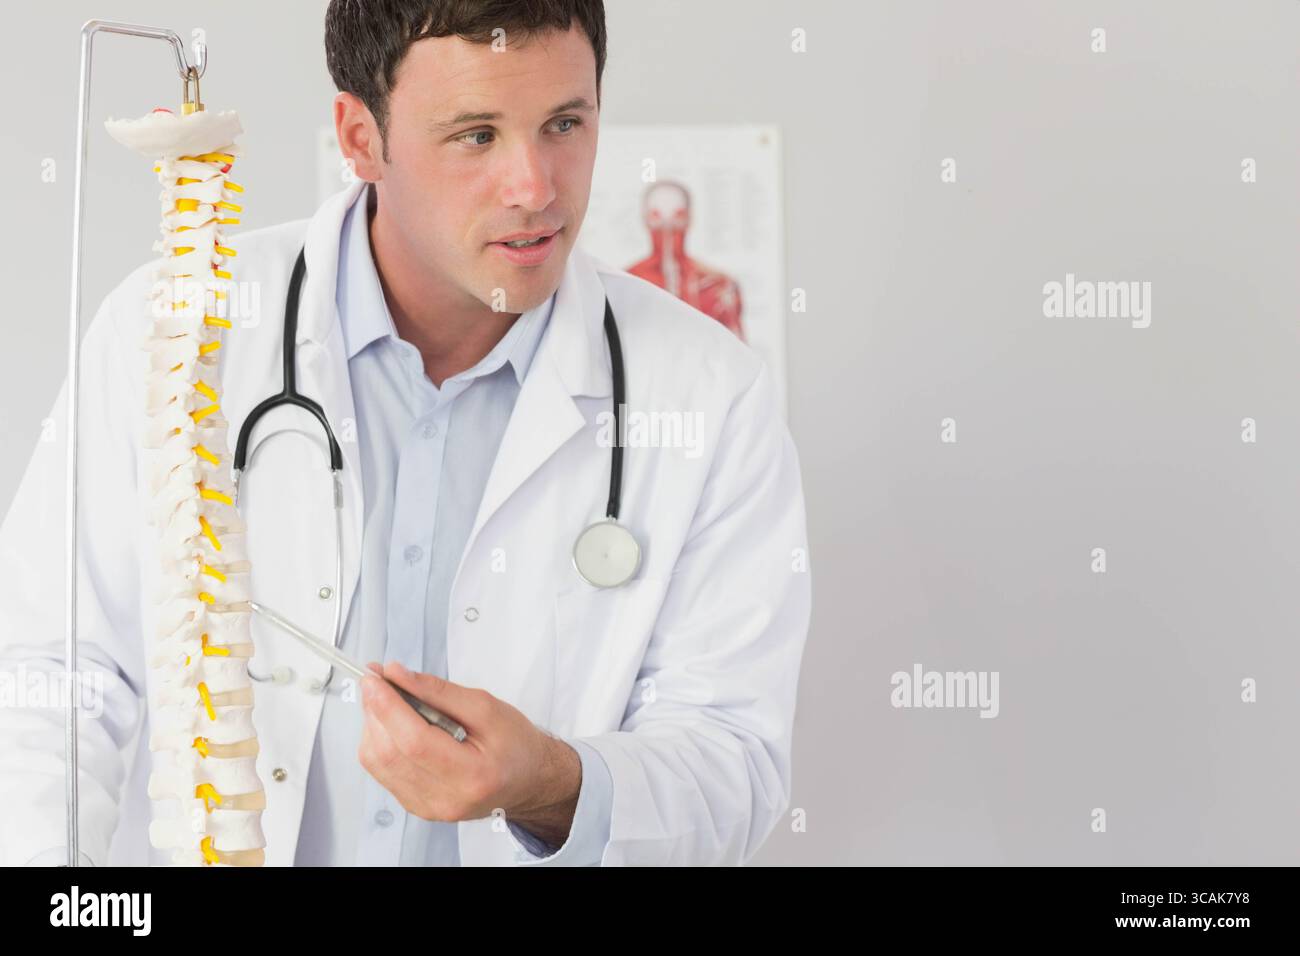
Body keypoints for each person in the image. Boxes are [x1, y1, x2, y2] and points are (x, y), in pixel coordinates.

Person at [0, 0, 811, 866]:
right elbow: (52, 683)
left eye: (564, 123)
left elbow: (733, 758)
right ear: (360, 138)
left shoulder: (709, 393)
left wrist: (548, 780)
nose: (535, 186)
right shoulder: (175, 330)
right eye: (475, 135)